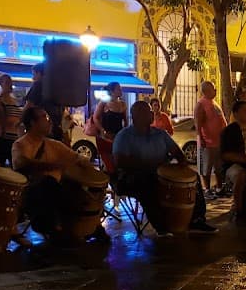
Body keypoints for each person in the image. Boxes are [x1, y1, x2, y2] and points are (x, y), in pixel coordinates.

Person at [112, 100, 216, 235]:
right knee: (146, 182)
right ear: (136, 116)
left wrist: (181, 165)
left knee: (193, 178)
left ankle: (197, 219)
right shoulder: (124, 136)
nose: (151, 114)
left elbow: (178, 153)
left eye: (150, 111)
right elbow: (120, 162)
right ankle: (161, 226)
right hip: (131, 177)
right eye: (147, 112)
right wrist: (149, 166)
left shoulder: (160, 134)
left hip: (160, 175)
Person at [11, 105, 93, 240]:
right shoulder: (20, 145)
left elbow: (77, 158)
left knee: (76, 190)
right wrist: (53, 166)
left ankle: (87, 226)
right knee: (48, 184)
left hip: (54, 192)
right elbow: (22, 164)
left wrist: (85, 164)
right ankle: (57, 228)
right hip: (32, 195)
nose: (49, 121)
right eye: (45, 118)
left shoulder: (54, 145)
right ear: (33, 122)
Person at [220, 98, 246, 221]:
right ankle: (239, 210)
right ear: (236, 114)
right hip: (234, 165)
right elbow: (225, 155)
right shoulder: (229, 131)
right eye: (244, 111)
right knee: (241, 174)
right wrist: (243, 159)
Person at [194, 81, 227, 197]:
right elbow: (198, 123)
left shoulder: (214, 103)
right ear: (206, 90)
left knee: (218, 167)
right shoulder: (201, 104)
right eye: (213, 88)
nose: (216, 90)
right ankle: (206, 189)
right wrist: (202, 138)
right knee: (206, 168)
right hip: (207, 143)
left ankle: (219, 188)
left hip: (218, 142)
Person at [0, 73, 23, 166]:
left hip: (13, 138)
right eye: (7, 82)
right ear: (1, 84)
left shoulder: (14, 100)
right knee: (0, 165)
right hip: (1, 138)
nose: (10, 85)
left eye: (10, 82)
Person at [93, 82, 127, 172]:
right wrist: (102, 130)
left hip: (118, 138)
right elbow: (95, 117)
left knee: (117, 165)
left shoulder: (123, 104)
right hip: (105, 138)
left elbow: (125, 121)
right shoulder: (104, 103)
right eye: (118, 89)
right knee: (109, 166)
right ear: (112, 91)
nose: (121, 90)